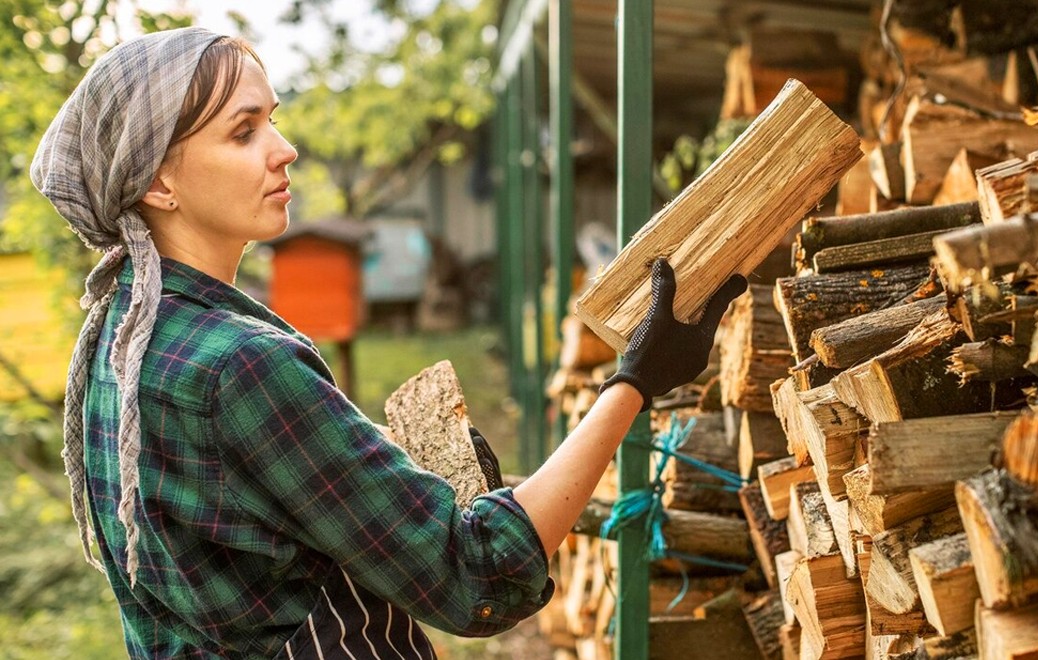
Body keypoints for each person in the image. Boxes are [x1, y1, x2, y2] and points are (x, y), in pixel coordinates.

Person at [30, 27, 746, 659]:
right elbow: (478, 577)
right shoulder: (240, 365)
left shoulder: (115, 336)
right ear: (158, 180)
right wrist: (636, 381)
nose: (287, 149)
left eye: (272, 120)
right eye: (244, 132)